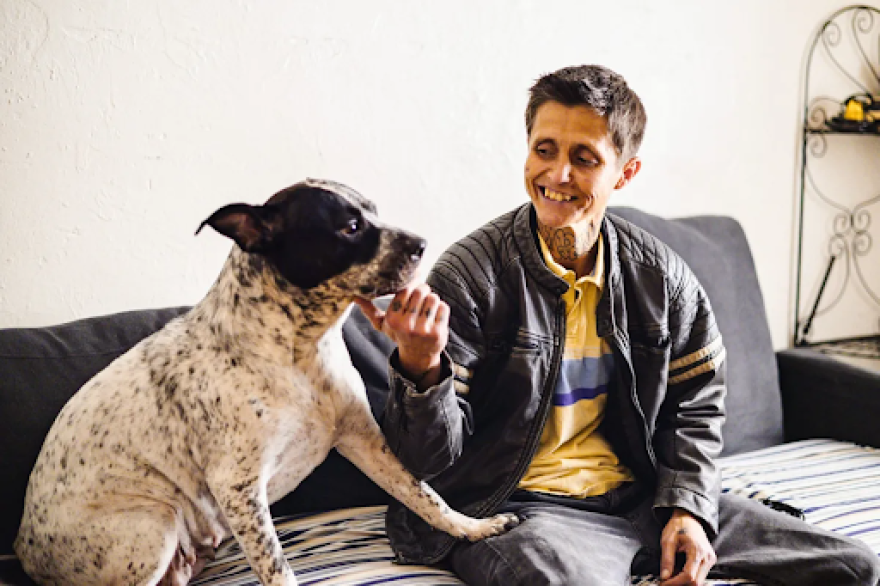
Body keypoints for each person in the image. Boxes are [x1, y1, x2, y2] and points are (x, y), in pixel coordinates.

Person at [353, 65, 880, 586]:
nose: (557, 175)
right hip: (523, 511)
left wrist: (689, 510)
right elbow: (425, 464)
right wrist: (421, 369)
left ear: (624, 173)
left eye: (584, 159)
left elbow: (697, 404)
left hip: (644, 499)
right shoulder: (470, 275)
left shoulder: (663, 277)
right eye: (544, 150)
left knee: (856, 567)